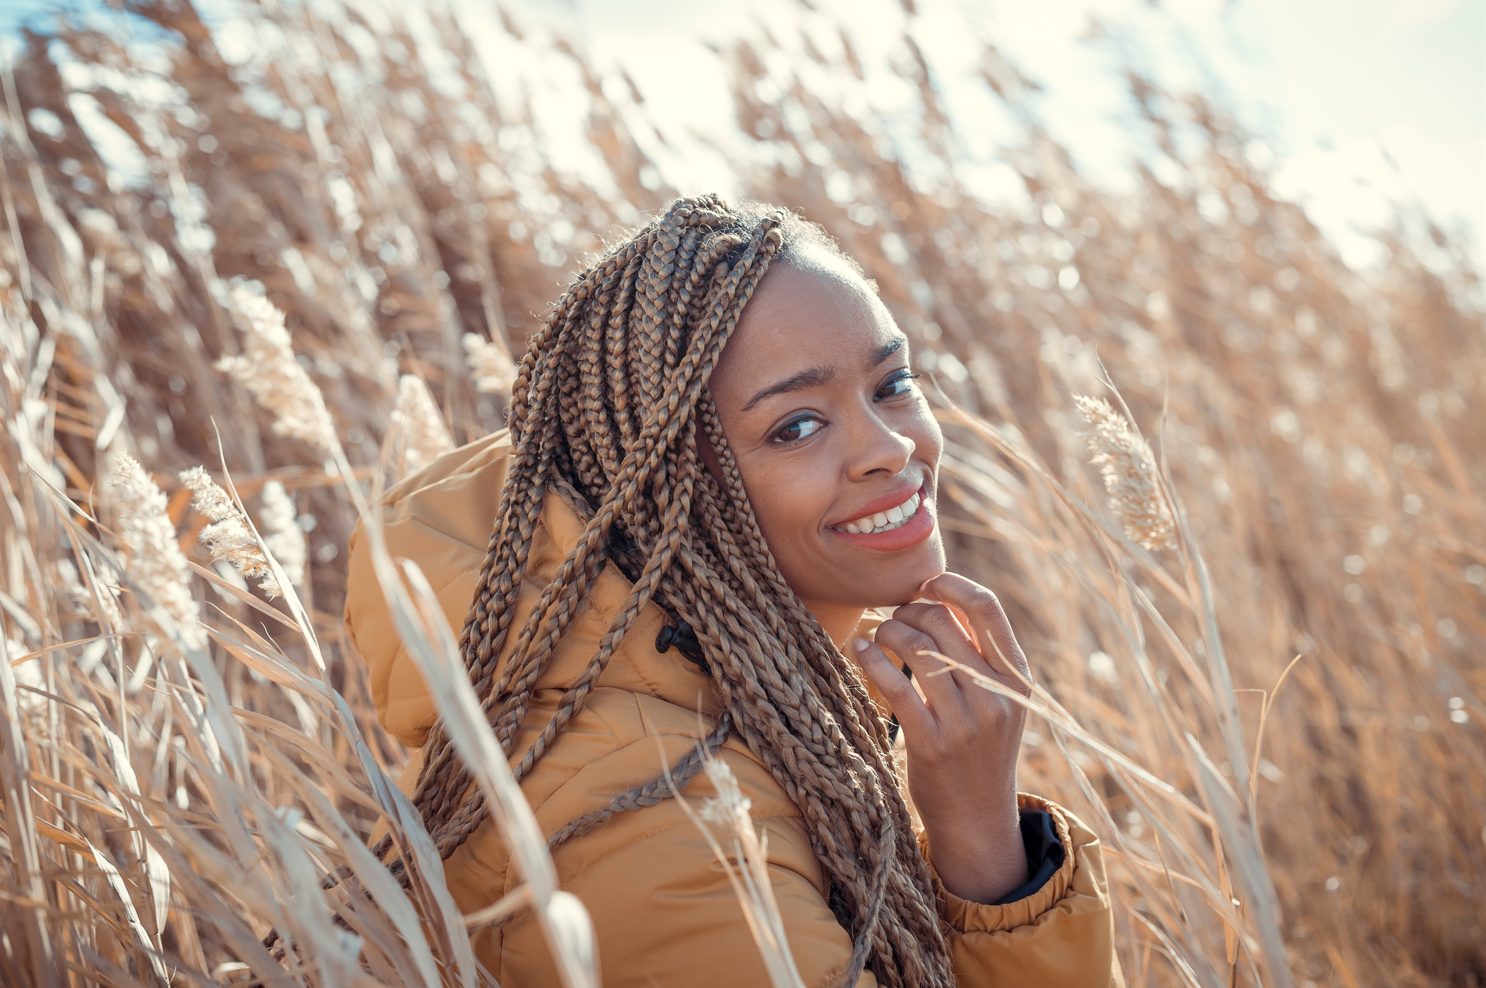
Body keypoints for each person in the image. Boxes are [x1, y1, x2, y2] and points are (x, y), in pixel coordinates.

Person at [342, 194, 1121, 986]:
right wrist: (983, 844)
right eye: (796, 427)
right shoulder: (654, 822)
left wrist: (986, 848)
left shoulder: (741, 703)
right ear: (669, 490)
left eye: (892, 382)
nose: (889, 448)